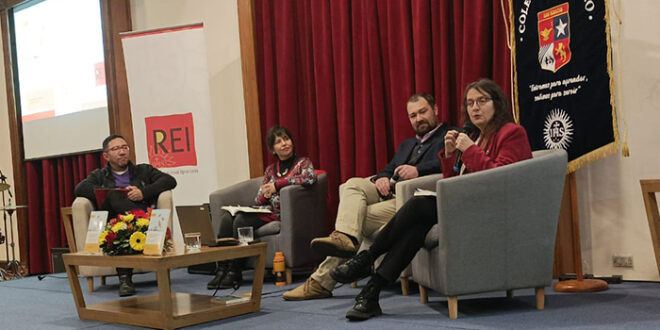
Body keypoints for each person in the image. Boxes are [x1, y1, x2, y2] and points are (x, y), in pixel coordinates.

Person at [330, 78, 533, 320]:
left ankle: (367, 259)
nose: (475, 108)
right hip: (470, 205)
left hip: (496, 210)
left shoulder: (511, 132)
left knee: (418, 206)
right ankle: (371, 293)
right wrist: (449, 156)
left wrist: (469, 149)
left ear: (497, 103)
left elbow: (499, 179)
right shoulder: (477, 136)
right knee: (416, 227)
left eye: (482, 101)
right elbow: (453, 179)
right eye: (470, 103)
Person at [283, 93, 454, 300]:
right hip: (387, 193)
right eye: (413, 115)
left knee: (357, 220)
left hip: (413, 201)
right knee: (352, 184)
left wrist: (418, 171)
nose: (418, 118)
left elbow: (451, 165)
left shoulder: (449, 136)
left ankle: (320, 281)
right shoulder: (407, 145)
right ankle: (344, 238)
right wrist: (381, 177)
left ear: (435, 110)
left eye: (423, 112)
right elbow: (388, 169)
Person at [207, 125, 317, 290]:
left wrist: (278, 184)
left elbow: (309, 178)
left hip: (283, 214)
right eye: (279, 142)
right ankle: (222, 269)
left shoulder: (303, 162)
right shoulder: (270, 170)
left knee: (241, 221)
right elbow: (258, 199)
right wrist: (265, 194)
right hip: (266, 210)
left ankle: (235, 271)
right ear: (273, 149)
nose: (284, 144)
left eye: (286, 139)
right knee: (226, 219)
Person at [74, 134, 177, 297]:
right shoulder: (99, 175)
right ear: (106, 156)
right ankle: (143, 225)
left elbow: (169, 181)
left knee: (124, 228)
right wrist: (114, 194)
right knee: (116, 203)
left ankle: (125, 279)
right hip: (117, 222)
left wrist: (143, 192)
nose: (122, 152)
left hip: (134, 221)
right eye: (116, 149)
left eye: (124, 147)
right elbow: (80, 189)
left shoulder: (143, 170)